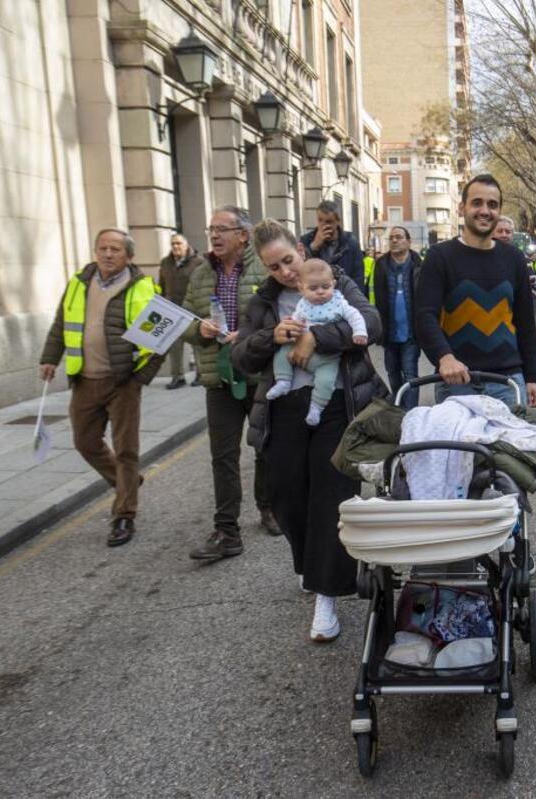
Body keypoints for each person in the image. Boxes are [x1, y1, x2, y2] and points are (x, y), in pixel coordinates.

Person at [234, 219, 385, 642]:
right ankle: (309, 565)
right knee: (285, 496)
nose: (285, 272)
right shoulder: (263, 302)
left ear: (300, 250)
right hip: (283, 410)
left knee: (330, 496)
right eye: (274, 266)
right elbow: (242, 355)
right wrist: (272, 336)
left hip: (338, 404)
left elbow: (371, 325)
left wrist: (317, 336)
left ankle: (326, 594)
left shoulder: (335, 282)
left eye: (288, 260)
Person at [39, 229, 163, 547]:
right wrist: (50, 358)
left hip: (122, 381)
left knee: (126, 450)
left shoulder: (143, 288)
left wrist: (140, 378)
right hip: (85, 379)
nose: (108, 254)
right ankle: (128, 483)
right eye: (102, 248)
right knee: (85, 442)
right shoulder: (79, 283)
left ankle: (124, 515)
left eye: (115, 249)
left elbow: (161, 337)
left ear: (129, 256)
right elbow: (60, 323)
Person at [184, 206, 277, 561]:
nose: (214, 236)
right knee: (222, 455)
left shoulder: (262, 268)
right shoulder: (200, 273)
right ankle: (226, 530)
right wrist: (199, 329)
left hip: (257, 373)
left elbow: (283, 318)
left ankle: (268, 507)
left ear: (243, 234)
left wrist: (250, 336)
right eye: (211, 230)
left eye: (222, 229)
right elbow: (185, 319)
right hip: (218, 376)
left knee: (265, 446)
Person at [414, 174, 536, 408]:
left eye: (492, 205)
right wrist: (445, 358)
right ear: (462, 208)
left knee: (512, 446)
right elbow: (424, 315)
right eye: (477, 203)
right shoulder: (439, 256)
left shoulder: (513, 258)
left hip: (508, 381)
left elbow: (525, 321)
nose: (485, 210)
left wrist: (533, 376)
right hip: (456, 381)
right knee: (458, 446)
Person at [265, 258, 369, 427]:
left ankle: (317, 407)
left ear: (333, 284)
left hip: (327, 358)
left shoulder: (338, 303)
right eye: (313, 288)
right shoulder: (303, 304)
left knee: (326, 381)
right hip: (297, 350)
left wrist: (359, 332)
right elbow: (296, 320)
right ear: (301, 288)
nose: (320, 292)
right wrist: (290, 327)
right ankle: (283, 381)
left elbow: (356, 316)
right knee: (282, 352)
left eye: (325, 287)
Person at [371, 226, 423, 409]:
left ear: (408, 242)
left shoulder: (418, 264)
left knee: (410, 374)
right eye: (391, 237)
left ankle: (410, 414)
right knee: (392, 372)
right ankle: (399, 410)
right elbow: (374, 296)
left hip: (411, 332)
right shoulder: (381, 265)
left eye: (399, 237)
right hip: (389, 330)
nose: (394, 240)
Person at [157, 233, 205, 389]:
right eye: (173, 244)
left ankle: (201, 375)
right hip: (171, 310)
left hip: (192, 310)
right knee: (174, 346)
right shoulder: (165, 263)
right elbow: (162, 286)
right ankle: (178, 377)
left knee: (196, 344)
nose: (176, 247)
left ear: (186, 245)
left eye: (179, 243)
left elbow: (205, 287)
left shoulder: (199, 262)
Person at [300, 200, 363, 283]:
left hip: (344, 292)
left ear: (337, 221)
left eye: (328, 222)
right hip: (317, 292)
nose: (323, 225)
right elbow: (301, 269)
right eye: (320, 220)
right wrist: (313, 247)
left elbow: (358, 276)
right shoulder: (306, 240)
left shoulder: (350, 242)